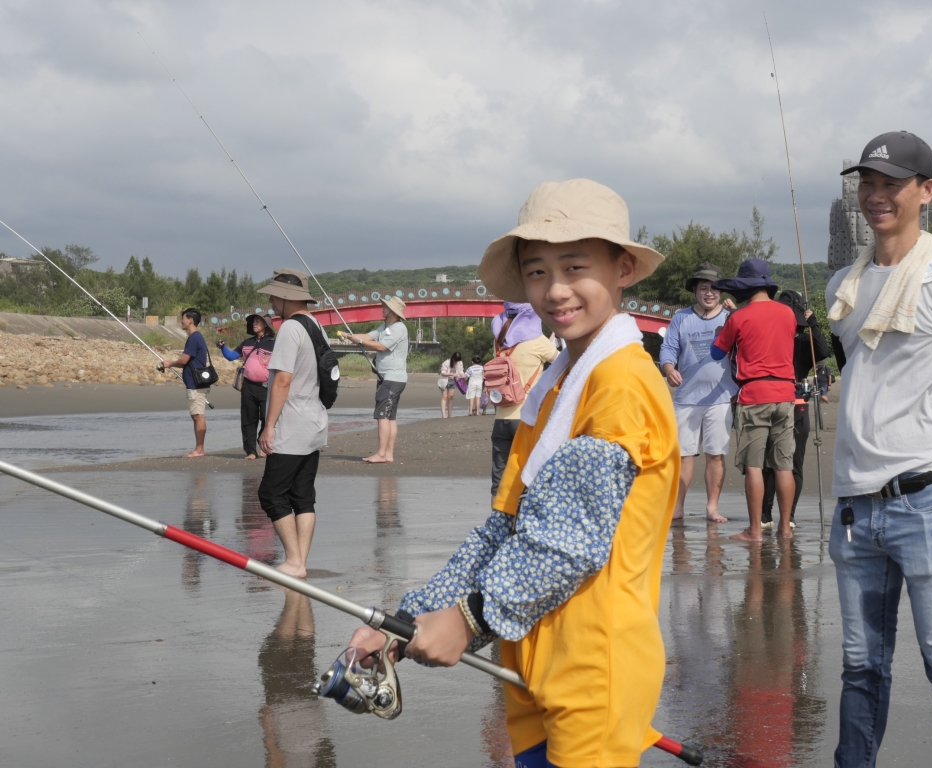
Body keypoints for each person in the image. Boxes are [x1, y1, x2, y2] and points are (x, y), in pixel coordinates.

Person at [348, 178, 679, 768]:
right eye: (537, 272)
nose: (556, 291)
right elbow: (504, 531)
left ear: (623, 267)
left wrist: (469, 618)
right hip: (531, 666)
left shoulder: (621, 385)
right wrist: (408, 619)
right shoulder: (557, 387)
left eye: (575, 267)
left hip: (591, 675)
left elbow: (564, 546)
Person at [826, 131, 932, 767]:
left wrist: (916, 433)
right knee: (860, 668)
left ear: (926, 192)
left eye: (891, 184)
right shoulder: (843, 285)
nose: (876, 196)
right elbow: (858, 373)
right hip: (853, 507)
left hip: (928, 500)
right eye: (867, 183)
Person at [710, 260, 796, 542]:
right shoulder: (788, 314)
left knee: (754, 465)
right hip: (785, 395)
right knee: (783, 465)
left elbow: (716, 353)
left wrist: (721, 330)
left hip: (754, 395)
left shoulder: (738, 318)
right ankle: (785, 528)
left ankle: (755, 531)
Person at [255, 269, 329, 579]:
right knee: (302, 494)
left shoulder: (289, 329)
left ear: (287, 298)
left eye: (273, 296)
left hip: (293, 423)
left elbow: (283, 380)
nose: (270, 301)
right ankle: (299, 562)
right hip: (315, 420)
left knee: (271, 493)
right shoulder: (316, 326)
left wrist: (268, 425)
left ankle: (294, 561)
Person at [659, 263, 738, 523]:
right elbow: (668, 349)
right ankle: (677, 506)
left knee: (715, 454)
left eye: (714, 289)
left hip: (721, 396)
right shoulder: (681, 317)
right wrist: (669, 368)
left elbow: (746, 339)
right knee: (683, 454)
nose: (709, 293)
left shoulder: (729, 316)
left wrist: (735, 313)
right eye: (704, 288)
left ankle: (712, 507)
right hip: (686, 397)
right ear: (695, 291)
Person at [760, 290, 829, 530]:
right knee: (779, 464)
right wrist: (813, 325)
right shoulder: (793, 338)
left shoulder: (798, 340)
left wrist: (813, 325)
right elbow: (823, 351)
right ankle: (772, 515)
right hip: (786, 404)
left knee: (778, 464)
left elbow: (822, 352)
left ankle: (782, 515)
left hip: (789, 404)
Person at [489, 302, 557, 501]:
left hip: (500, 419)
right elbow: (565, 362)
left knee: (498, 483)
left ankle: (498, 526)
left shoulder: (499, 342)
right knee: (528, 478)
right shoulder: (537, 341)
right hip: (527, 419)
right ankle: (524, 527)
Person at [340, 297, 409, 463]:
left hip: (392, 378)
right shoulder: (386, 327)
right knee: (390, 417)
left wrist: (361, 341)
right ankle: (388, 454)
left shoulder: (399, 328)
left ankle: (381, 454)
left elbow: (380, 346)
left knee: (382, 416)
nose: (382, 307)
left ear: (393, 311)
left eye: (385, 306)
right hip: (388, 378)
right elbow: (369, 336)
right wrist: (350, 336)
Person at [218, 313, 276, 459]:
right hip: (248, 386)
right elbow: (231, 356)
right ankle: (250, 451)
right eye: (253, 322)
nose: (254, 324)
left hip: (266, 387)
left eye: (258, 321)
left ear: (266, 325)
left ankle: (263, 445)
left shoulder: (274, 344)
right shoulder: (247, 343)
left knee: (266, 417)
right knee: (248, 419)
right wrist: (223, 347)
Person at [160, 307, 210, 458]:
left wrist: (170, 363)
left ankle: (199, 450)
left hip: (197, 384)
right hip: (195, 383)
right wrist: (174, 364)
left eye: (183, 318)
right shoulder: (195, 337)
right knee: (196, 415)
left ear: (191, 320)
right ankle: (199, 448)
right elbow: (185, 363)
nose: (181, 320)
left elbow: (184, 360)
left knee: (198, 415)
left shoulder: (194, 337)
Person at [438, 351, 464, 418]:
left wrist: (464, 376)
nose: (456, 362)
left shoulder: (459, 363)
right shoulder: (447, 362)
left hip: (453, 381)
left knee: (451, 397)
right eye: (455, 360)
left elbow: (461, 371)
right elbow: (443, 373)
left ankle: (450, 414)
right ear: (453, 358)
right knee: (444, 397)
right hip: (444, 380)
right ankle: (443, 414)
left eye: (457, 361)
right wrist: (452, 374)